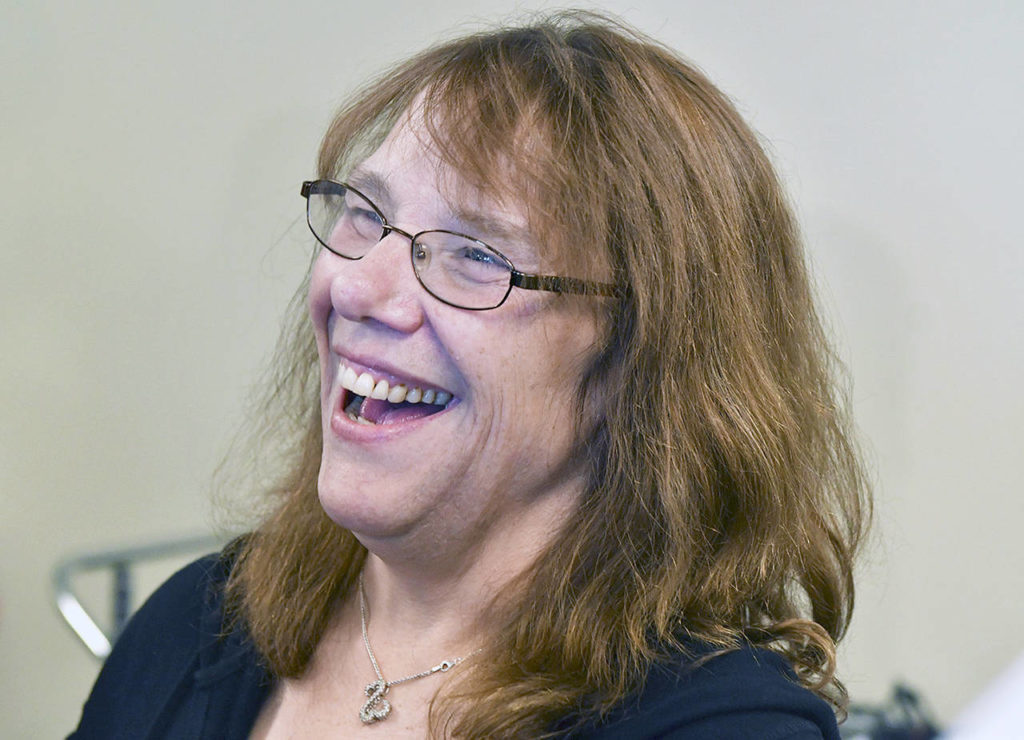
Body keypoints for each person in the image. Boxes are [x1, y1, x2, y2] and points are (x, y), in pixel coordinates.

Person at [70, 11, 869, 739]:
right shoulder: (194, 625)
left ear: (640, 364)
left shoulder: (719, 727)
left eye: (477, 255)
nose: (358, 287)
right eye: (366, 214)